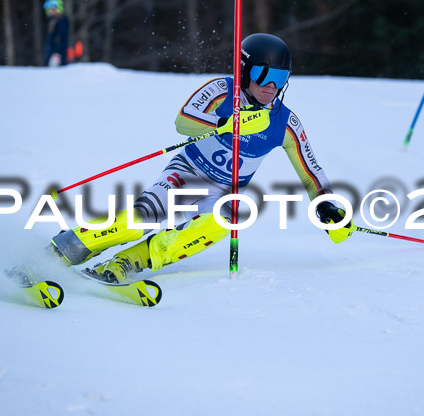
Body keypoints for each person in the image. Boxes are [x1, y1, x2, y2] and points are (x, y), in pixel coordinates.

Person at [50, 33, 355, 282]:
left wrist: (325, 201)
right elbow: (183, 121)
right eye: (264, 75)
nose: (271, 87)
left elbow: (311, 172)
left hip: (224, 192)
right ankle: (66, 248)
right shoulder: (222, 91)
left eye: (280, 77)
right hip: (187, 173)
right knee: (143, 219)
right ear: (246, 71)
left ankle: (129, 262)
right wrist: (226, 124)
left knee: (225, 221)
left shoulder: (285, 123)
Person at [43, 0, 68, 67]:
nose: (51, 11)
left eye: (53, 9)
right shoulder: (51, 21)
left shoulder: (62, 21)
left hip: (57, 56)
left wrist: (57, 53)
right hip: (50, 55)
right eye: (49, 9)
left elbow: (61, 38)